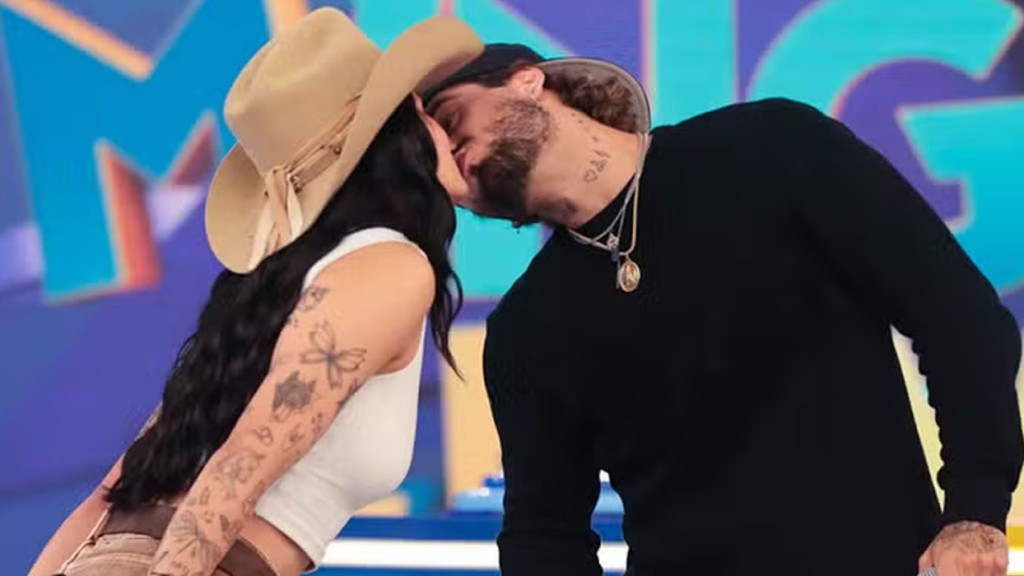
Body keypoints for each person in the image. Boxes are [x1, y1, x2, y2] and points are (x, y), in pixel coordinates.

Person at [422, 43, 1024, 576]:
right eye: (429, 163)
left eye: (449, 120)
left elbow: (958, 317)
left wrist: (974, 510)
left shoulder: (772, 148)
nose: (449, 159)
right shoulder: (525, 329)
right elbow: (544, 538)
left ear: (528, 80)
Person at [28, 9, 482, 576]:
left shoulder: (279, 283)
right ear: (399, 140)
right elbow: (238, 468)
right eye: (422, 111)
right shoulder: (389, 266)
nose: (444, 129)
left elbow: (112, 493)